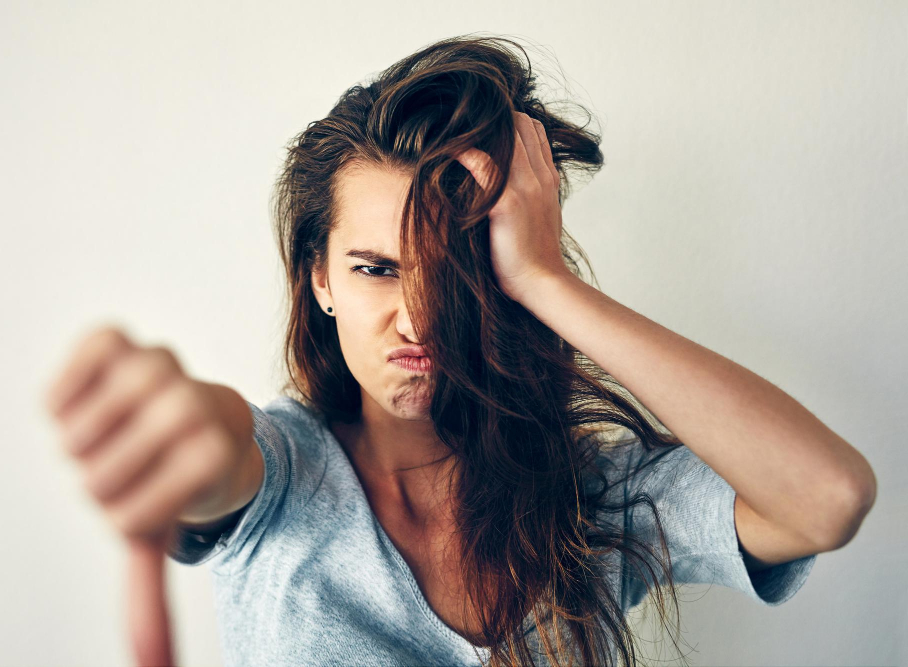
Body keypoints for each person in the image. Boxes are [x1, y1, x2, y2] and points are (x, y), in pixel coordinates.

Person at [49, 34, 875, 667]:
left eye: (458, 271)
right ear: (320, 280)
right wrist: (171, 420)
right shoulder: (280, 472)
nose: (417, 319)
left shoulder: (588, 498)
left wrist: (550, 282)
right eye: (375, 269)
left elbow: (827, 496)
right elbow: (214, 444)